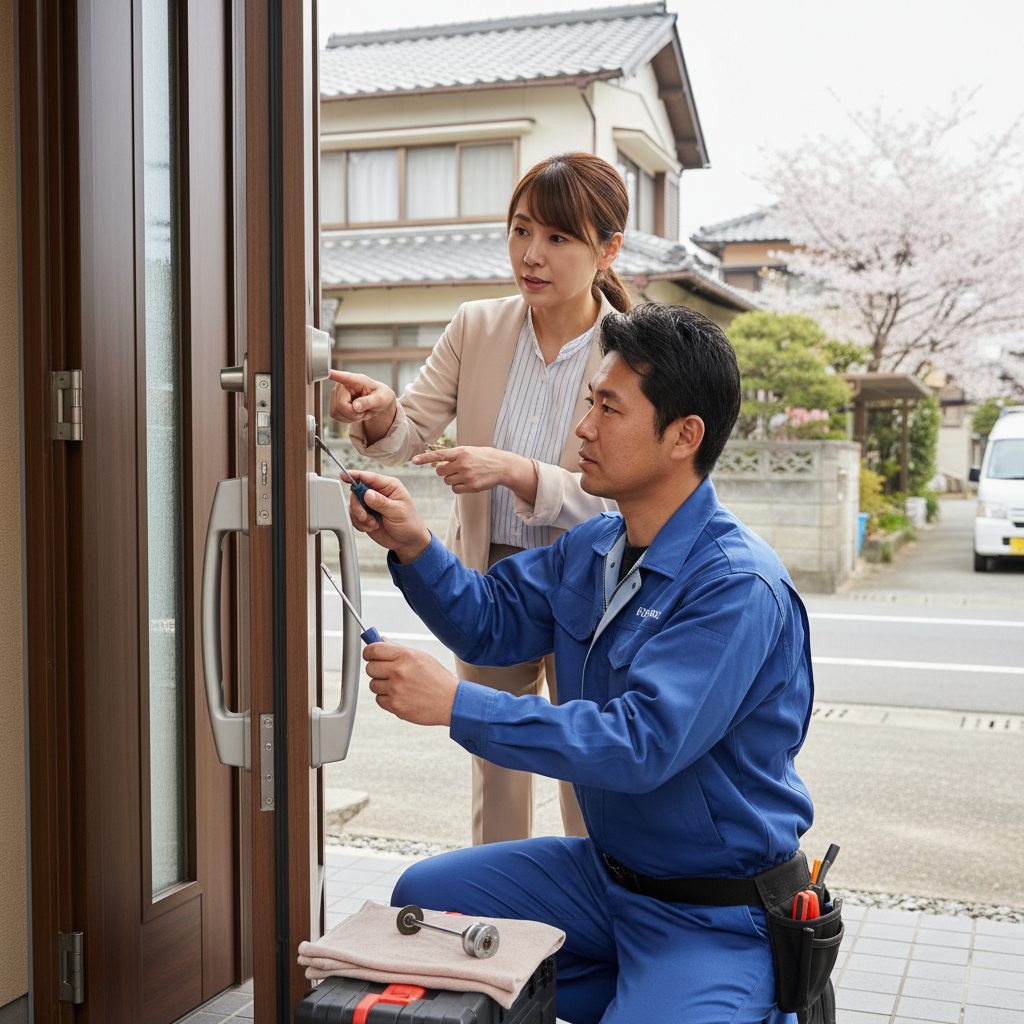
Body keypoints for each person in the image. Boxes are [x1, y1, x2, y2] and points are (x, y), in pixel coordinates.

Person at [343, 302, 817, 1024]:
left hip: (714, 909)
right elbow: (489, 622)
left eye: (608, 407)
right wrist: (413, 543)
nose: (583, 428)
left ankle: (723, 997)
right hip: (606, 879)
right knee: (424, 899)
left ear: (684, 435)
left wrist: (455, 705)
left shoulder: (736, 587)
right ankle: (633, 989)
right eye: (589, 401)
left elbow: (639, 744)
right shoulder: (596, 543)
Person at [329, 153, 632, 846]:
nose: (531, 254)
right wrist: (379, 412)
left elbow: (624, 498)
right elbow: (409, 432)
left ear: (608, 248)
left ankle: (598, 916)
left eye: (558, 238)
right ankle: (504, 924)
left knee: (588, 768)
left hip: (595, 579)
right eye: (521, 230)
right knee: (496, 762)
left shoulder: (633, 349)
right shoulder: (477, 325)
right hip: (492, 583)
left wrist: (516, 472)